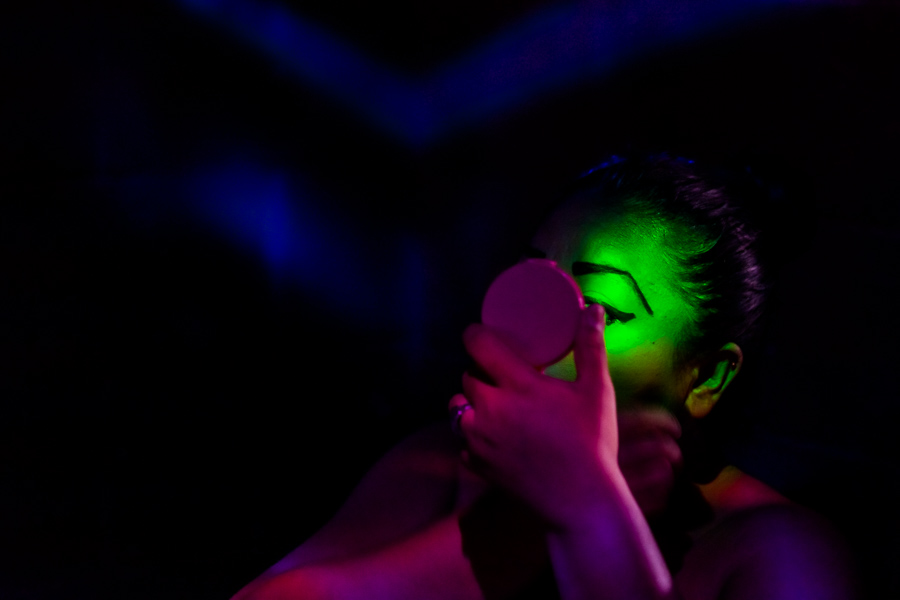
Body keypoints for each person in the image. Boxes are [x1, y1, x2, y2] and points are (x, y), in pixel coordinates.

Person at [231, 155, 854, 600]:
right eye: (534, 288)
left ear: (708, 376)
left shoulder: (777, 550)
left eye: (603, 312)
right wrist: (514, 535)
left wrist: (592, 517)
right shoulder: (441, 460)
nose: (541, 332)